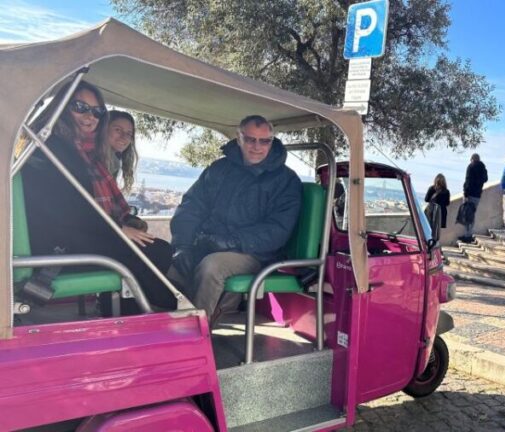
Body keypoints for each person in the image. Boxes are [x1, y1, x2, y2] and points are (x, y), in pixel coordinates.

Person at [21, 80, 175, 310]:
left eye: (97, 111)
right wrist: (118, 230)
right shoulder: (51, 149)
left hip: (69, 237)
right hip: (58, 247)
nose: (90, 116)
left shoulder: (74, 148)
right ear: (62, 106)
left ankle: (138, 313)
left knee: (151, 250)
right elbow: (66, 210)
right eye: (80, 107)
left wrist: (119, 228)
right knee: (156, 251)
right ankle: (159, 310)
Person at [169, 115, 302, 322]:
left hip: (254, 252)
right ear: (239, 138)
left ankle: (192, 337)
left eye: (264, 141)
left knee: (212, 268)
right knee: (166, 264)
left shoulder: (286, 181)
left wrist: (232, 241)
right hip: (210, 243)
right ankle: (160, 327)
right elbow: (191, 206)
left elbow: (277, 230)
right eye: (250, 139)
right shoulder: (219, 170)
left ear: (272, 141)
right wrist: (183, 244)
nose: (257, 147)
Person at [105, 110, 139, 194]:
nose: (124, 137)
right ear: (104, 129)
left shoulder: (114, 161)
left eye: (128, 133)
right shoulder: (94, 160)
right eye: (118, 130)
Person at [459, 153, 488, 242]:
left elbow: (468, 181)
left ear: (472, 159)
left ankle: (467, 236)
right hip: (477, 195)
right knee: (472, 215)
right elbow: (485, 179)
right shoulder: (483, 168)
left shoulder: (471, 167)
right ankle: (469, 234)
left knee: (467, 215)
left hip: (470, 194)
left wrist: (466, 193)